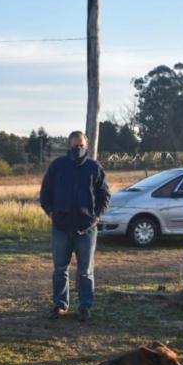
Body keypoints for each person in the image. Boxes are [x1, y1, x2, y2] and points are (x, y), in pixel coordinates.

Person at [39, 130, 111, 322]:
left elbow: (105, 196)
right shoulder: (57, 166)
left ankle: (85, 306)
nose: (78, 148)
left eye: (81, 145)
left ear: (86, 146)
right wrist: (52, 213)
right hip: (61, 227)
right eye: (75, 145)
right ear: (69, 146)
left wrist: (95, 217)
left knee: (86, 271)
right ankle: (60, 304)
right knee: (60, 269)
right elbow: (45, 194)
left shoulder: (94, 168)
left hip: (86, 229)